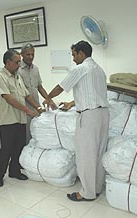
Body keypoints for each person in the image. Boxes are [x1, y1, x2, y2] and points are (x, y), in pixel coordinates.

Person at [43, 41, 109, 201]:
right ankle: (96, 188)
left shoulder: (80, 68)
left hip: (89, 117)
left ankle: (87, 193)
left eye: (74, 55)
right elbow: (92, 93)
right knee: (99, 153)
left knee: (86, 155)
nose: (73, 59)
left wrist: (48, 97)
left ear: (82, 53)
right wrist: (72, 103)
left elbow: (61, 86)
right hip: (103, 114)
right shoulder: (99, 70)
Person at [0, 49, 45, 187]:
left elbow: (27, 95)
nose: (18, 65)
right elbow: (8, 98)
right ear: (8, 62)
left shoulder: (17, 77)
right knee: (6, 149)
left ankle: (14, 171)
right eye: (16, 62)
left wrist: (39, 108)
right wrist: (27, 110)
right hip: (8, 120)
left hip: (20, 119)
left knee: (19, 147)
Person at [18, 43, 56, 144]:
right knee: (27, 136)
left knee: (37, 134)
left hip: (36, 107)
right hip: (24, 109)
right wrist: (39, 107)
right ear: (21, 54)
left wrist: (49, 100)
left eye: (32, 54)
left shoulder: (36, 69)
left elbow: (40, 87)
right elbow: (25, 94)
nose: (31, 57)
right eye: (28, 54)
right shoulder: (17, 70)